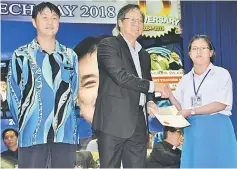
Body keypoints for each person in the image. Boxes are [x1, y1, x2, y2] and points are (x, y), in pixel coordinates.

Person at [92, 4, 169, 168]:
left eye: (140, 20)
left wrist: (149, 101)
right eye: (132, 20)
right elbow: (120, 77)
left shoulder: (144, 54)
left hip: (138, 124)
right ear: (120, 22)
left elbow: (145, 81)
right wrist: (154, 87)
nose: (137, 24)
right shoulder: (109, 45)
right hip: (112, 123)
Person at [7, 2, 79, 168]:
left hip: (64, 134)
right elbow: (13, 94)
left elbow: (73, 91)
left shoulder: (70, 56)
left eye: (54, 18)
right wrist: (27, 122)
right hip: (33, 134)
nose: (50, 22)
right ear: (34, 22)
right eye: (44, 17)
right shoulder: (21, 55)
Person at [168, 35, 237, 168]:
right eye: (194, 48)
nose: (198, 52)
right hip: (193, 132)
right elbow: (181, 108)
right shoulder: (185, 80)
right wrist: (170, 95)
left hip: (217, 130)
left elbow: (221, 103)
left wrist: (192, 111)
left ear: (211, 52)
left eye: (203, 48)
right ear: (189, 53)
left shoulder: (221, 74)